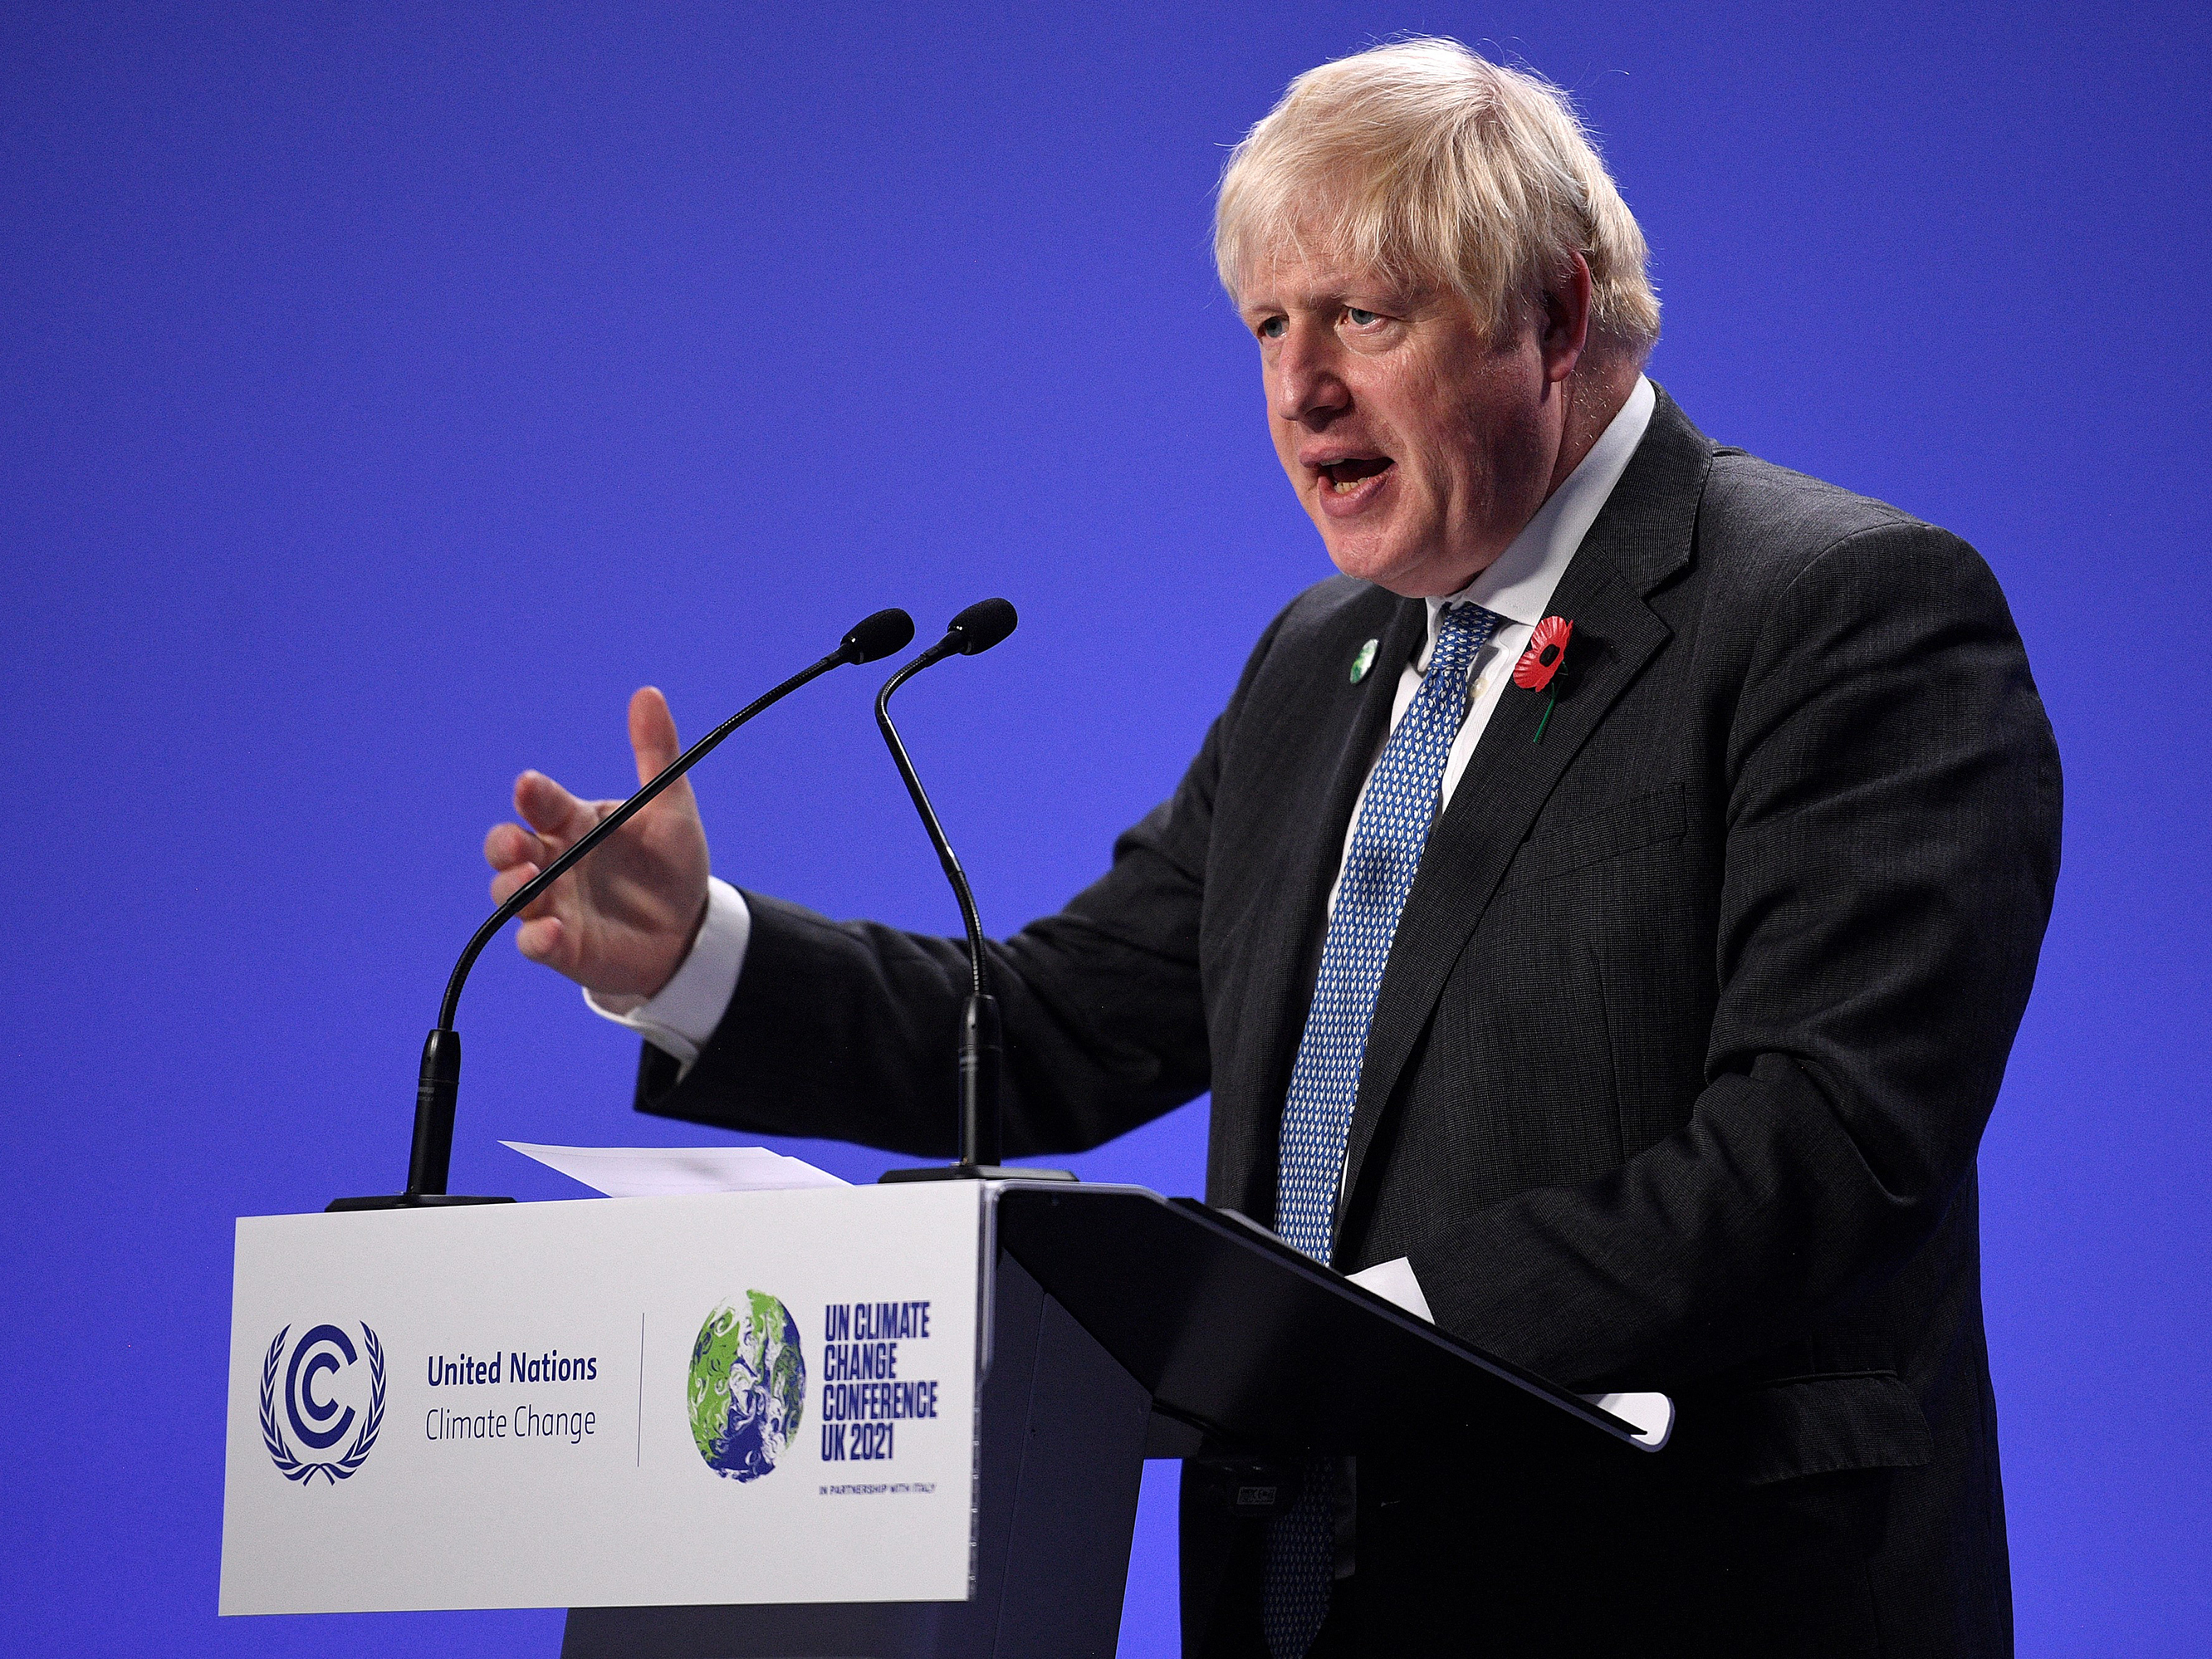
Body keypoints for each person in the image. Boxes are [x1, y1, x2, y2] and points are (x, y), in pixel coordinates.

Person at [486, 39, 2058, 1657]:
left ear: (1558, 317)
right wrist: (694, 958)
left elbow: (1821, 1154)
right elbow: (1063, 1028)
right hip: (1304, 1596)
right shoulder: (1322, 658)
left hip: (1680, 1597)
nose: (1302, 390)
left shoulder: (1838, 613)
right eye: (1268, 327)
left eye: (1365, 318)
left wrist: (1363, 1343)